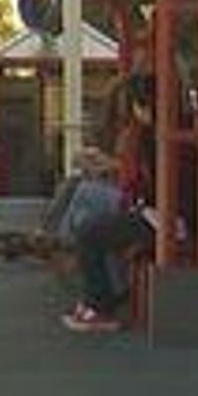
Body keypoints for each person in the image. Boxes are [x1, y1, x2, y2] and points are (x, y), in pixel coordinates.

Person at [58, 75, 158, 333]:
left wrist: (107, 166)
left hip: (154, 214)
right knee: (85, 213)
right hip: (147, 208)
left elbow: (136, 181)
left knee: (84, 205)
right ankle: (104, 290)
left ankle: (98, 302)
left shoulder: (148, 135)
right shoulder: (147, 133)